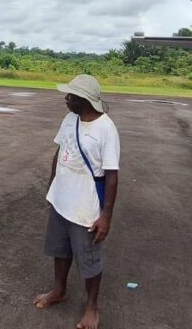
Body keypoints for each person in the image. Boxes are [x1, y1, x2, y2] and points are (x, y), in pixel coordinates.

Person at [33, 74, 120, 329]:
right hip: (62, 201)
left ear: (84, 100)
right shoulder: (70, 119)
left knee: (89, 260)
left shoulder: (106, 129)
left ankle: (92, 307)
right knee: (60, 251)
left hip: (86, 208)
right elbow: (59, 152)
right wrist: (52, 187)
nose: (66, 99)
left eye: (70, 96)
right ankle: (59, 290)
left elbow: (112, 177)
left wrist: (106, 217)